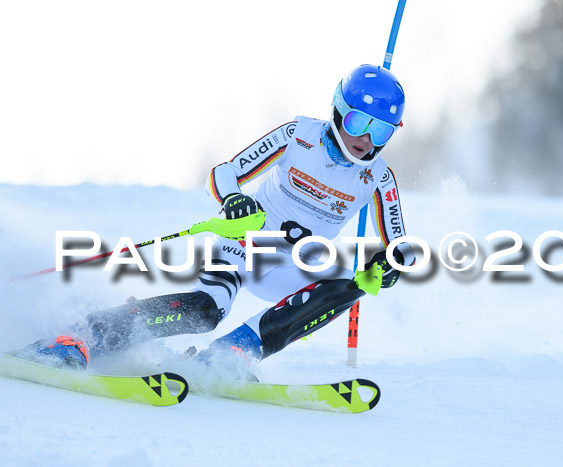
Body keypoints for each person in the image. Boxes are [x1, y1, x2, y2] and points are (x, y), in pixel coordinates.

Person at [18, 64, 414, 372]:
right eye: (358, 122)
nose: (366, 140)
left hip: (295, 269)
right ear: (337, 111)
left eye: (381, 131)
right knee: (205, 309)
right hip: (244, 247)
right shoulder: (299, 135)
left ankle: (232, 355)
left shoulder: (377, 178)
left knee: (350, 282)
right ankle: (81, 338)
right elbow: (224, 173)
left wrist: (391, 262)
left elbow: (403, 246)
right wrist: (233, 199)